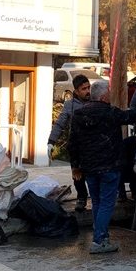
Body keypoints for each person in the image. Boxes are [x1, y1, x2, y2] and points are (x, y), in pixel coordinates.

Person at [68, 80, 136, 253]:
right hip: (109, 166)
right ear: (103, 96)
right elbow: (133, 115)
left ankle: (101, 236)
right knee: (106, 204)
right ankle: (99, 240)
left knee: (96, 202)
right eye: (109, 92)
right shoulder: (110, 112)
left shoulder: (79, 114)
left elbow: (72, 143)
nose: (111, 95)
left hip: (89, 167)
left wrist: (75, 166)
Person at [47, 74, 90, 211]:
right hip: (76, 147)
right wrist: (51, 141)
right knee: (77, 175)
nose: (87, 91)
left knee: (94, 174)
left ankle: (97, 198)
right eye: (84, 89)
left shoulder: (95, 101)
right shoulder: (70, 105)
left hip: (93, 146)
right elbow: (60, 124)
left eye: (89, 87)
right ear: (76, 91)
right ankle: (82, 198)